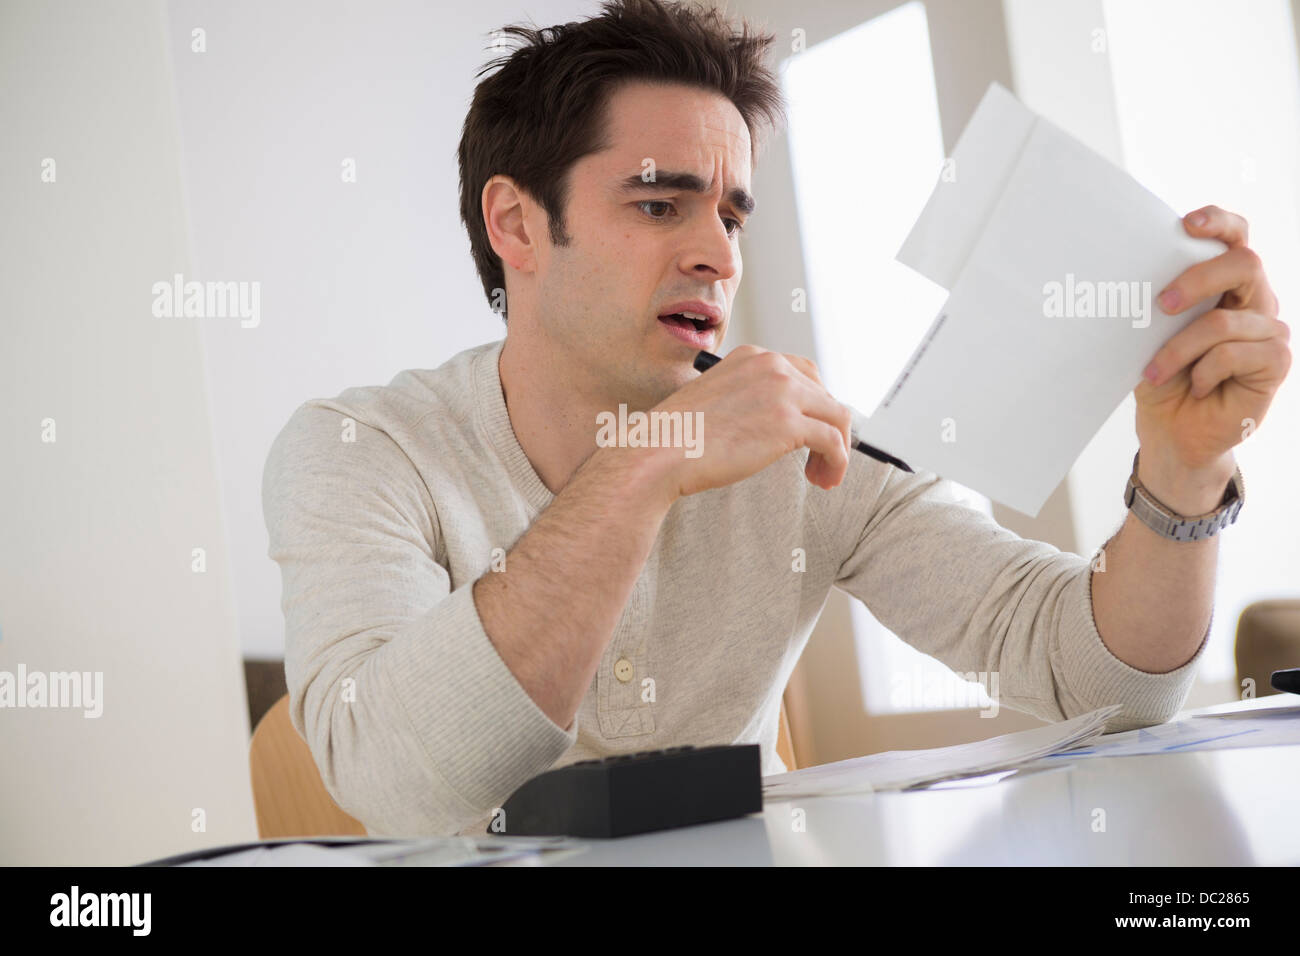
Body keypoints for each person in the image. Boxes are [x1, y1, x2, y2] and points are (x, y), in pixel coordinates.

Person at [262, 0, 1290, 837]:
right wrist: (648, 462)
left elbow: (1099, 678)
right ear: (517, 224)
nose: (717, 251)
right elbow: (397, 784)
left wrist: (1181, 470)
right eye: (660, 203)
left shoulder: (802, 437)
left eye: (731, 211)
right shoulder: (360, 449)